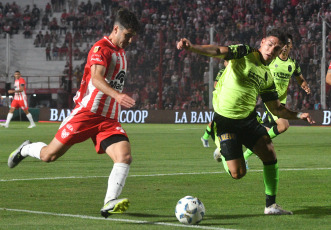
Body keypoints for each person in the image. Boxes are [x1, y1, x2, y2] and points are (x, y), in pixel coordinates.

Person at [7, 8, 140, 218]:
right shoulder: (100, 48)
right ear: (116, 29)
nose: (130, 41)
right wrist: (116, 96)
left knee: (124, 156)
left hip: (108, 118)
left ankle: (109, 202)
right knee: (49, 155)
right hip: (87, 113)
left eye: (133, 37)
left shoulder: (122, 53)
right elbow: (96, 79)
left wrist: (114, 100)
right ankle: (25, 149)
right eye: (128, 35)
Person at [177, 29, 315, 215]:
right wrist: (192, 47)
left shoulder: (267, 75)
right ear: (262, 41)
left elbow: (275, 108)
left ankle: (271, 205)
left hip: (248, 120)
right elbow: (218, 51)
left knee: (269, 152)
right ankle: (223, 153)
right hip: (225, 121)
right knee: (238, 174)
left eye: (276, 49)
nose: (271, 50)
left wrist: (299, 115)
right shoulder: (244, 52)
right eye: (270, 45)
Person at [243, 34, 311, 162]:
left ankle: (249, 144)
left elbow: (299, 78)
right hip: (270, 99)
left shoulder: (293, 64)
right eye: (284, 45)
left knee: (267, 131)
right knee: (283, 125)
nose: (285, 47)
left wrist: (304, 85)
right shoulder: (272, 60)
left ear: (291, 47)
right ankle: (248, 153)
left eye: (288, 45)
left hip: (282, 103)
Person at [201, 60, 228, 148]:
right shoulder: (222, 72)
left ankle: (205, 137)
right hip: (221, 99)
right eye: (227, 62)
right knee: (218, 119)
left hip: (228, 99)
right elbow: (215, 85)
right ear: (224, 63)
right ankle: (207, 137)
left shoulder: (234, 72)